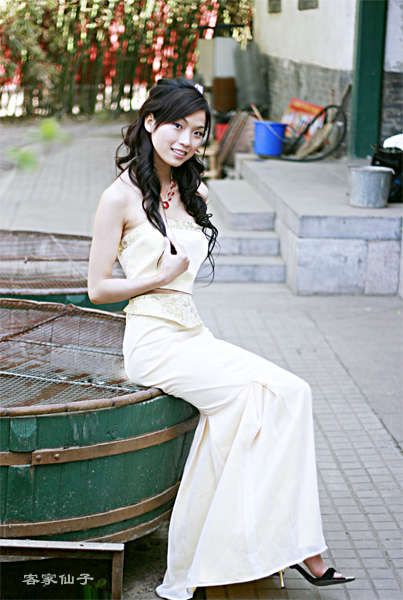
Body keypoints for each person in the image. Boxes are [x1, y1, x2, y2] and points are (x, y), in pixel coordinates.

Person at [87, 77, 355, 600]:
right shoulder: (117, 198)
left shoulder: (195, 192)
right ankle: (285, 548)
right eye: (177, 127)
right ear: (150, 122)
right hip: (152, 342)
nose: (186, 141)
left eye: (197, 132)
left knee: (292, 393)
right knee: (251, 403)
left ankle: (271, 543)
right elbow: (97, 288)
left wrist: (173, 275)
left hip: (193, 334)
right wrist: (156, 278)